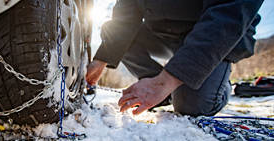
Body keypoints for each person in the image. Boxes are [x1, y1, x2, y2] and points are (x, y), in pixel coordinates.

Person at [86, 0, 263, 116]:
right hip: (163, 35)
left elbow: (227, 16)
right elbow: (125, 16)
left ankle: (218, 86)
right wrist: (103, 58)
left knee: (191, 107)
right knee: (113, 31)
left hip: (214, 36)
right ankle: (160, 91)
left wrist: (166, 81)